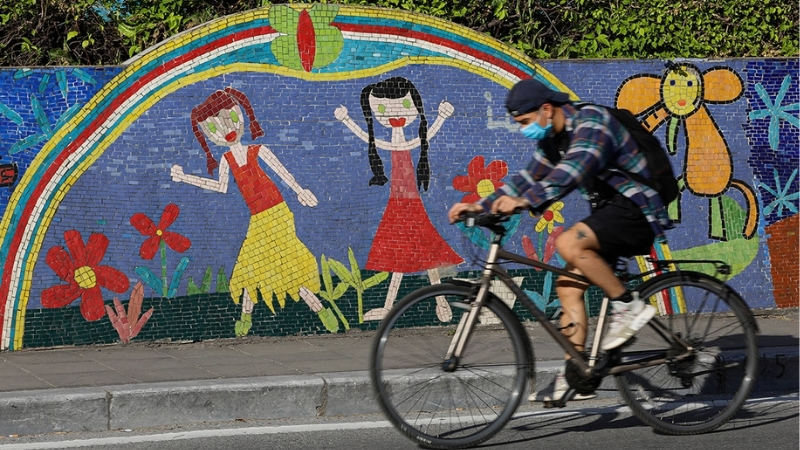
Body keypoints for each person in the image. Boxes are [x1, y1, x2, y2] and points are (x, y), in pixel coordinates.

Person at [448, 79, 673, 403]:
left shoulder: (592, 121)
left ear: (546, 109)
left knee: (569, 243)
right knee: (568, 287)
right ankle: (576, 374)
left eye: (525, 122)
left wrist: (526, 202)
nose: (524, 130)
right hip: (610, 212)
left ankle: (630, 307)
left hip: (636, 207)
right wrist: (480, 205)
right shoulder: (554, 139)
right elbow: (528, 178)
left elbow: (572, 170)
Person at [336, 76, 463, 323]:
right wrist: (347, 120)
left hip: (409, 202)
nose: (394, 115)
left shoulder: (409, 141)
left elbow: (423, 138)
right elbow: (369, 138)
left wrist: (441, 118)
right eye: (381, 110)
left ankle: (438, 300)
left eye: (404, 106)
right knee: (403, 251)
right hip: (398, 203)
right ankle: (429, 301)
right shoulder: (391, 142)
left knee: (421, 249)